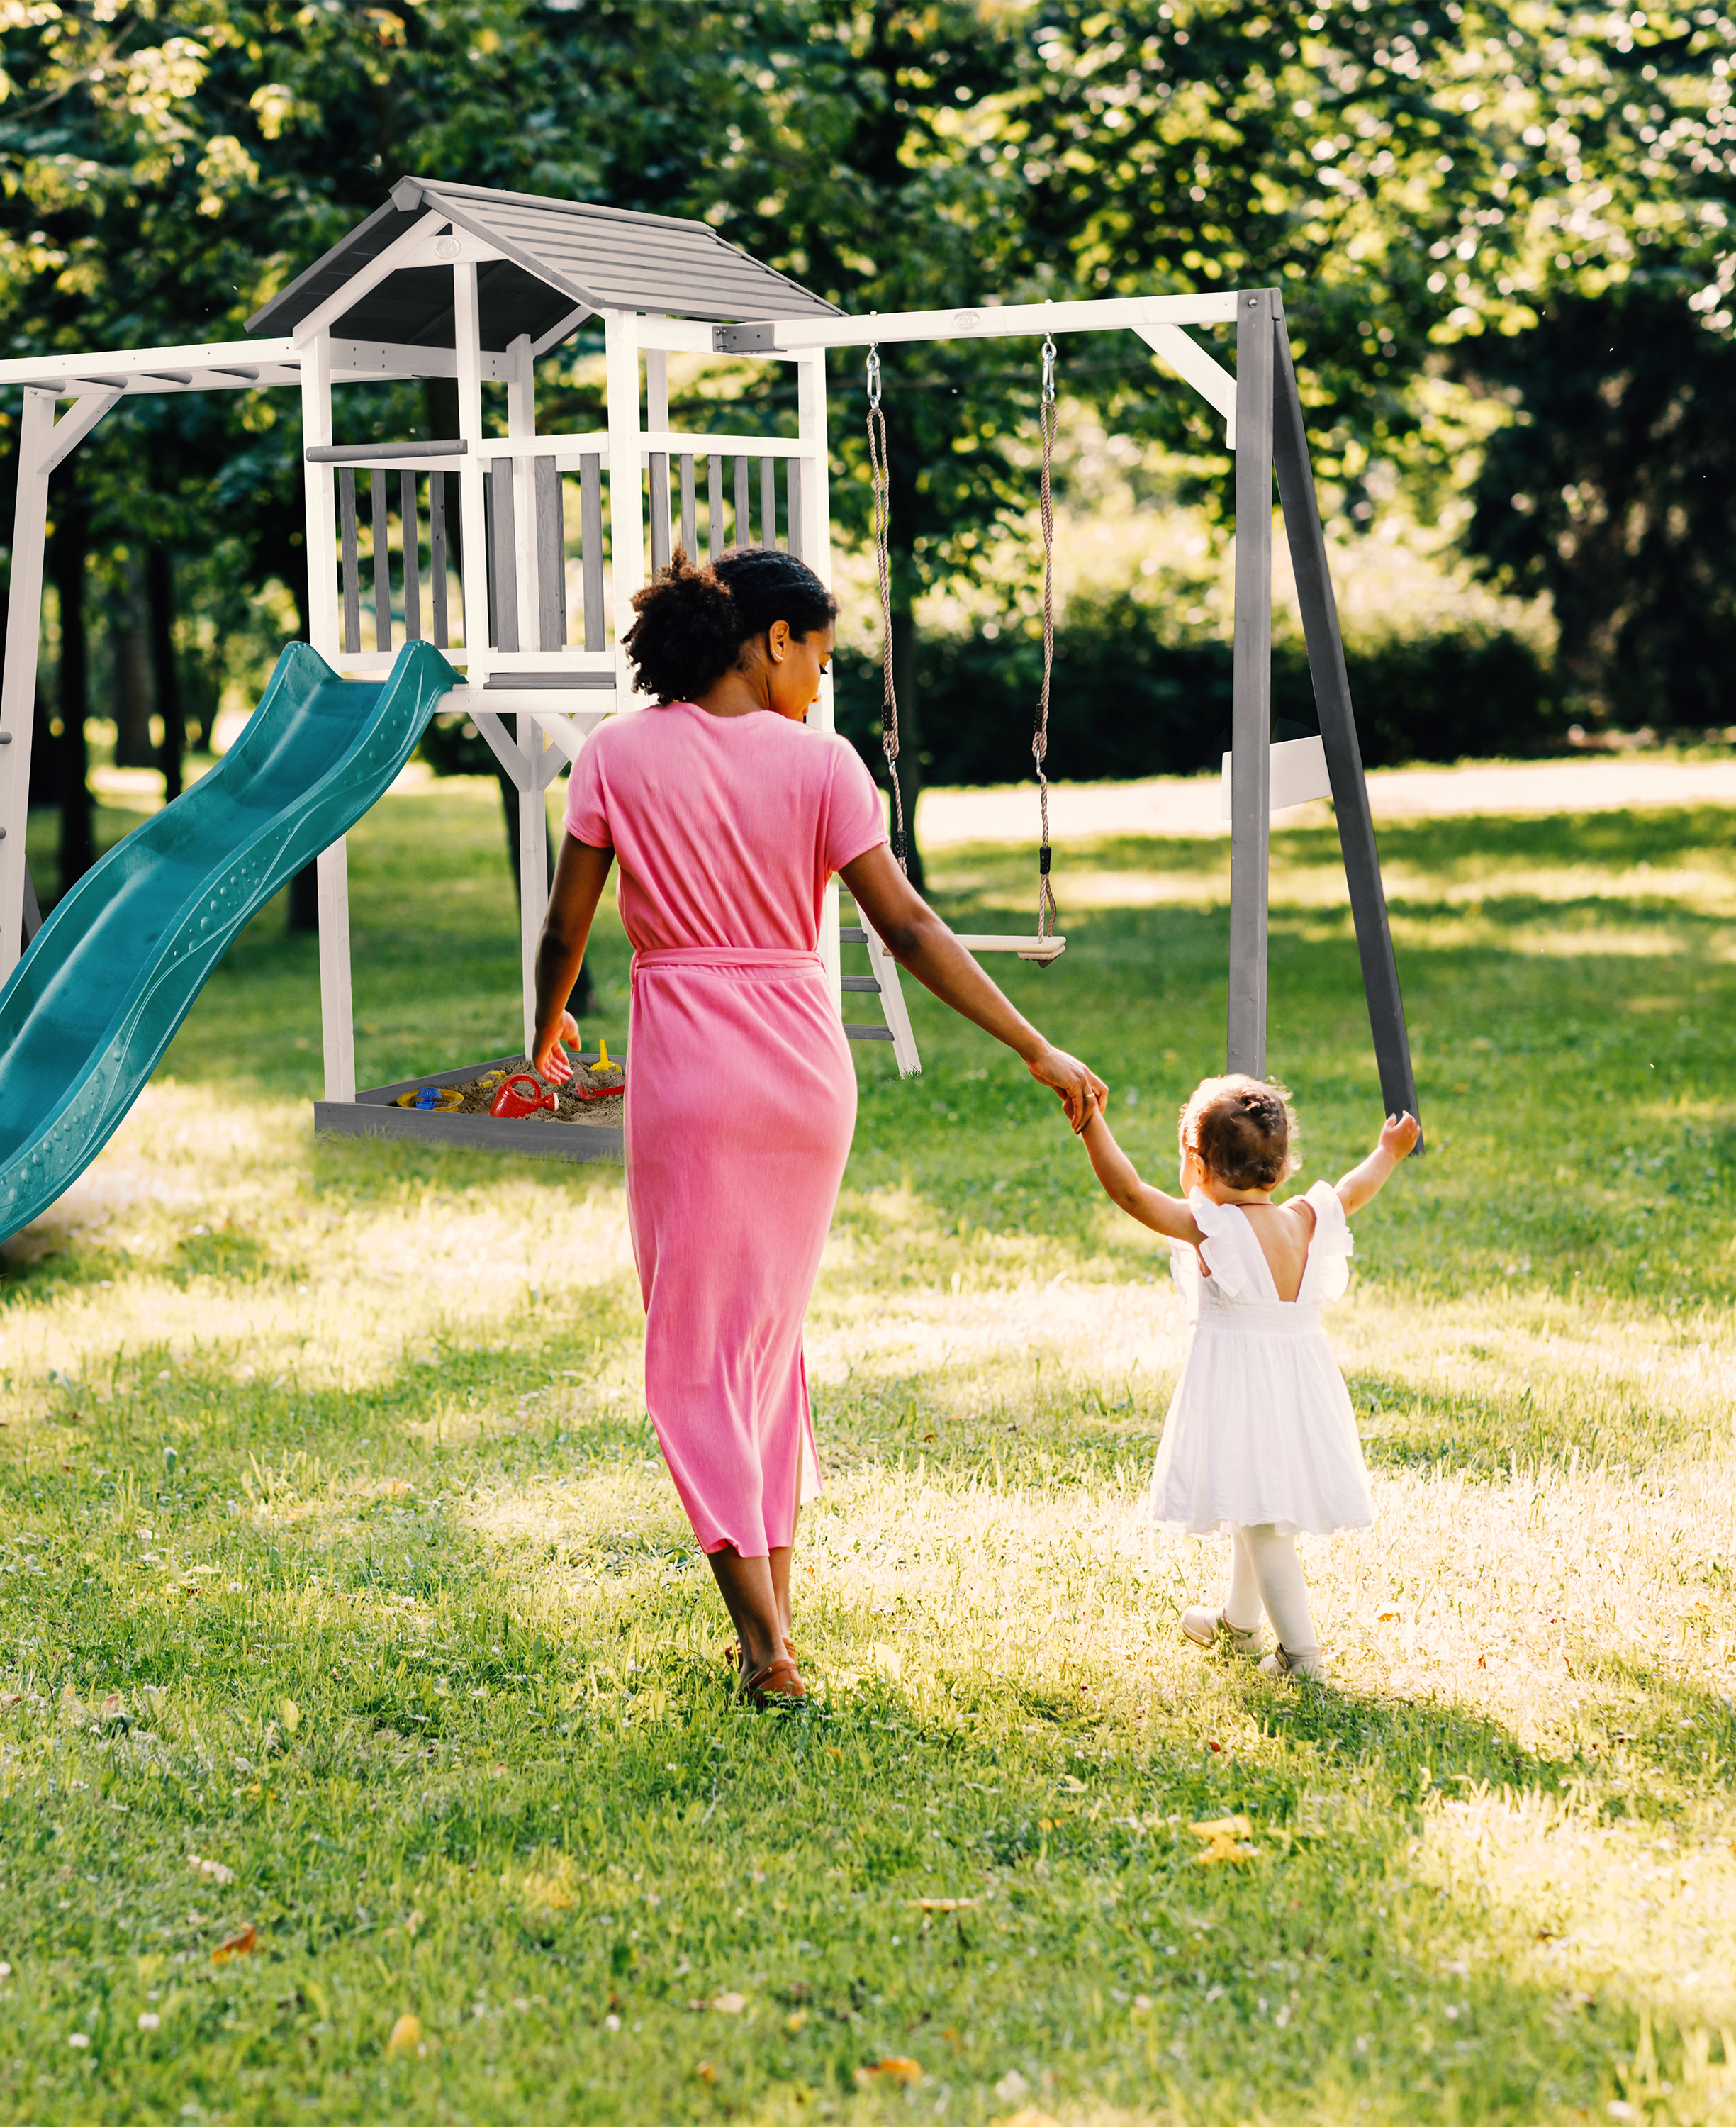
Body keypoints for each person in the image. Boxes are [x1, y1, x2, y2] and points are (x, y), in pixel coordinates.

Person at [529, 548, 1106, 1706]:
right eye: (821, 658)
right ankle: (774, 1626)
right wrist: (1032, 1043)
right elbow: (910, 929)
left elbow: (566, 928)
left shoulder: (615, 755)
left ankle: (763, 1647)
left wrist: (541, 1034)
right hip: (803, 1076)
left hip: (691, 1074)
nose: (821, 684)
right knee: (762, 1347)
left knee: (696, 1357)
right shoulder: (825, 767)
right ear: (772, 639)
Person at [1074, 1072, 1421, 1679]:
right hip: (1299, 1388)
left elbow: (1130, 1193)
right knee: (1249, 1500)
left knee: (1263, 1524)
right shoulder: (1307, 1218)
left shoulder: (1213, 1228)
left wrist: (1090, 1122)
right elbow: (1353, 1188)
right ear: (1282, 1169)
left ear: (1198, 1165)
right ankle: (1239, 1625)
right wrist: (1387, 1152)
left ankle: (1302, 1658)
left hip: (1243, 1391)